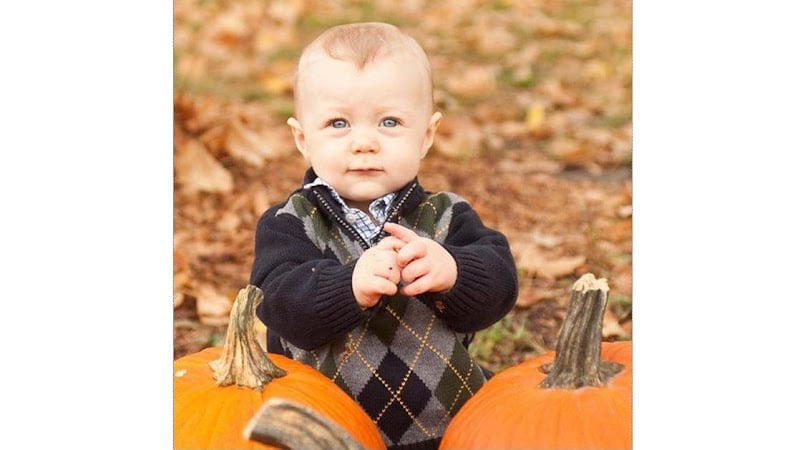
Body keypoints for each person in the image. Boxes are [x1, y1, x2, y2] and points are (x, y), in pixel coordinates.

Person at [249, 21, 518, 450]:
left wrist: (455, 271)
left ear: (426, 136)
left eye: (389, 122)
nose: (364, 142)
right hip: (327, 433)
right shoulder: (291, 223)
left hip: (446, 428)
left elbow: (499, 286)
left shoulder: (448, 215)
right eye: (338, 123)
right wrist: (346, 286)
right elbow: (278, 305)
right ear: (303, 139)